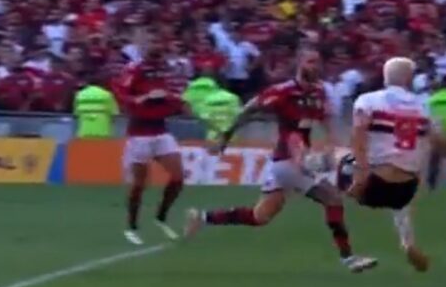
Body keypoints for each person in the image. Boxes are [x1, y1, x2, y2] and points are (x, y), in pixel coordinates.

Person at [184, 46, 378, 274]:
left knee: (260, 216)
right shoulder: (284, 91)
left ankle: (202, 217)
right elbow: (250, 109)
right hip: (288, 161)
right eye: (310, 62)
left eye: (317, 62)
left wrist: (334, 147)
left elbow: (325, 123)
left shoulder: (318, 93)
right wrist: (226, 137)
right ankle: (348, 258)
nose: (315, 66)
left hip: (287, 162)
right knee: (332, 199)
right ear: (299, 63)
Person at [340, 56, 446, 272]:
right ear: (409, 79)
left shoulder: (368, 100)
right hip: (406, 188)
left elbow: (358, 136)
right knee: (401, 201)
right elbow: (439, 142)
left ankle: (346, 252)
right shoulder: (424, 105)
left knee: (331, 158)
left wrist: (360, 174)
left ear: (385, 76)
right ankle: (408, 242)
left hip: (373, 184)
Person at [116, 37, 186, 245]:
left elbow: (174, 94)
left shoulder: (165, 69)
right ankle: (132, 226)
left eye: (159, 43)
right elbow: (122, 94)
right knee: (140, 184)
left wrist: (174, 100)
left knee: (178, 177)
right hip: (140, 133)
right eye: (153, 43)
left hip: (161, 129)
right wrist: (144, 97)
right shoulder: (135, 69)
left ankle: (161, 217)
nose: (157, 47)